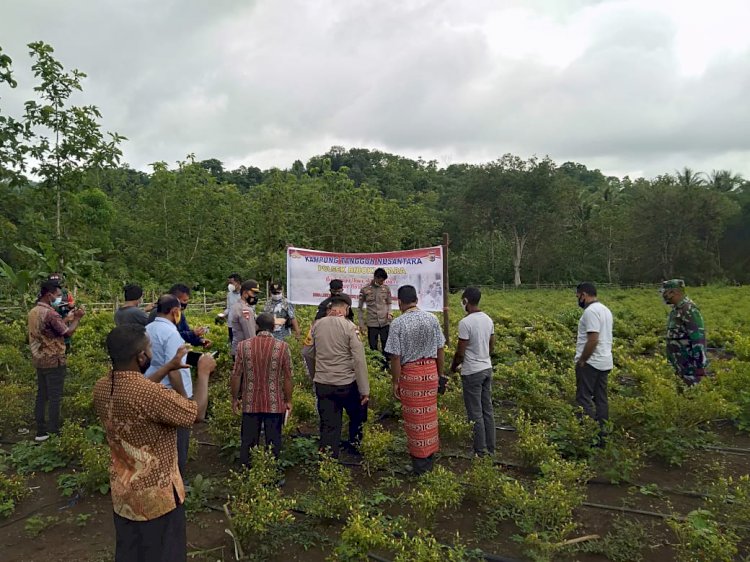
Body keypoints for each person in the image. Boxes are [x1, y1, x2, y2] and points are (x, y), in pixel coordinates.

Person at [94, 324, 216, 562]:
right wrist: (203, 373)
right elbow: (196, 413)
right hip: (157, 499)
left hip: (124, 494)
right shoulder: (151, 395)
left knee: (131, 552)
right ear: (141, 356)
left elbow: (139, 388)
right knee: (164, 553)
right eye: (149, 349)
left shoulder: (102, 387)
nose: (150, 353)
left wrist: (169, 366)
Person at [385, 285, 445, 475]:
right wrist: (439, 374)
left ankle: (419, 465)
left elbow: (395, 356)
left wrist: (396, 381)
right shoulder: (432, 319)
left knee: (414, 419)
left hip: (411, 375)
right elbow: (440, 349)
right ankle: (429, 458)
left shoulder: (398, 323)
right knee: (429, 416)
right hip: (430, 372)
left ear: (399, 302)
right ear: (417, 300)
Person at [145, 294, 201, 480]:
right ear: (175, 311)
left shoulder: (147, 328)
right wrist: (184, 398)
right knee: (178, 441)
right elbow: (173, 369)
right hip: (171, 391)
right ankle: (176, 483)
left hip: (151, 386)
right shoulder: (171, 333)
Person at [310, 297, 370, 458]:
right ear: (347, 309)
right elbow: (358, 359)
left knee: (329, 424)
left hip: (323, 383)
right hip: (346, 383)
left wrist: (314, 373)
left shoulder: (316, 325)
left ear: (331, 308)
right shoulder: (350, 327)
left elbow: (307, 352)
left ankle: (329, 462)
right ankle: (354, 447)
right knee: (356, 416)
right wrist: (364, 389)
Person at [231, 313, 293, 464]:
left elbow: (236, 375)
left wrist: (234, 398)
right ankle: (273, 473)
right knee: (273, 441)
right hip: (274, 402)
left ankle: (247, 470)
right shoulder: (282, 347)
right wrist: (289, 400)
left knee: (248, 441)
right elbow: (288, 377)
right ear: (273, 327)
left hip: (250, 402)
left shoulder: (243, 346)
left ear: (256, 326)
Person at [28, 279, 85, 441]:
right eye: (58, 295)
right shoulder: (51, 313)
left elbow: (49, 330)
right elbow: (66, 333)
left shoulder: (34, 311)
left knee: (42, 395)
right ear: (49, 295)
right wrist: (77, 318)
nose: (60, 298)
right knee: (54, 397)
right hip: (54, 359)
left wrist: (65, 319)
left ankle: (41, 431)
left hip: (39, 358)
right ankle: (54, 432)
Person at [449, 287, 496, 457]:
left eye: (463, 301)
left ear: (466, 301)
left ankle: (480, 451)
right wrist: (484, 357)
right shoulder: (488, 319)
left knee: (475, 413)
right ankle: (491, 448)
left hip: (472, 372)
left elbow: (460, 352)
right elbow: (491, 345)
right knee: (487, 410)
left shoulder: (465, 323)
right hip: (486, 368)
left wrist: (453, 368)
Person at [574, 282, 614, 441]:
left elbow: (593, 339)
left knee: (584, 398)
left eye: (578, 296)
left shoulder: (590, 312)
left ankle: (587, 436)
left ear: (584, 295)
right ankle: (603, 435)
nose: (578, 300)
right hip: (605, 361)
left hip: (591, 362)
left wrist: (583, 360)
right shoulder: (605, 310)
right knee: (601, 399)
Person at [661, 279, 708, 385]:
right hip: (679, 366)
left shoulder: (689, 309)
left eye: (665, 292)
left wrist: (700, 366)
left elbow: (698, 340)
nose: (663, 295)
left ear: (674, 292)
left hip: (690, 368)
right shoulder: (676, 310)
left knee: (692, 398)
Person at [149, 284, 212, 349]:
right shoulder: (159, 313)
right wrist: (192, 333)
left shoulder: (179, 314)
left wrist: (200, 341)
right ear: (174, 299)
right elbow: (171, 336)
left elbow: (185, 332)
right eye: (184, 300)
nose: (186, 303)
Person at [358, 268, 393, 356]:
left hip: (385, 322)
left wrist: (390, 312)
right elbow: (360, 308)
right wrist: (361, 324)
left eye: (384, 281)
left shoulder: (386, 288)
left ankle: (385, 365)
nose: (382, 282)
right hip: (372, 322)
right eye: (381, 280)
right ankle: (376, 363)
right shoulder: (365, 289)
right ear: (375, 278)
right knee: (373, 346)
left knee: (386, 346)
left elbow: (389, 303)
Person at [230, 280, 261, 358]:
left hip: (238, 349)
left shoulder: (238, 305)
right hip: (245, 352)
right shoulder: (245, 310)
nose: (254, 296)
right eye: (253, 293)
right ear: (244, 293)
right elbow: (250, 334)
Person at [47, 272, 75, 353]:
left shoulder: (65, 292)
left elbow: (72, 304)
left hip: (64, 325)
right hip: (50, 327)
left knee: (65, 347)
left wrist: (71, 306)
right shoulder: (44, 293)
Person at [216, 273, 242, 347]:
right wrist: (224, 314)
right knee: (233, 344)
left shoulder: (244, 294)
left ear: (238, 282)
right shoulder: (229, 294)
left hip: (241, 324)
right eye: (229, 283)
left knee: (242, 345)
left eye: (231, 283)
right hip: (231, 324)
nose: (230, 285)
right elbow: (229, 308)